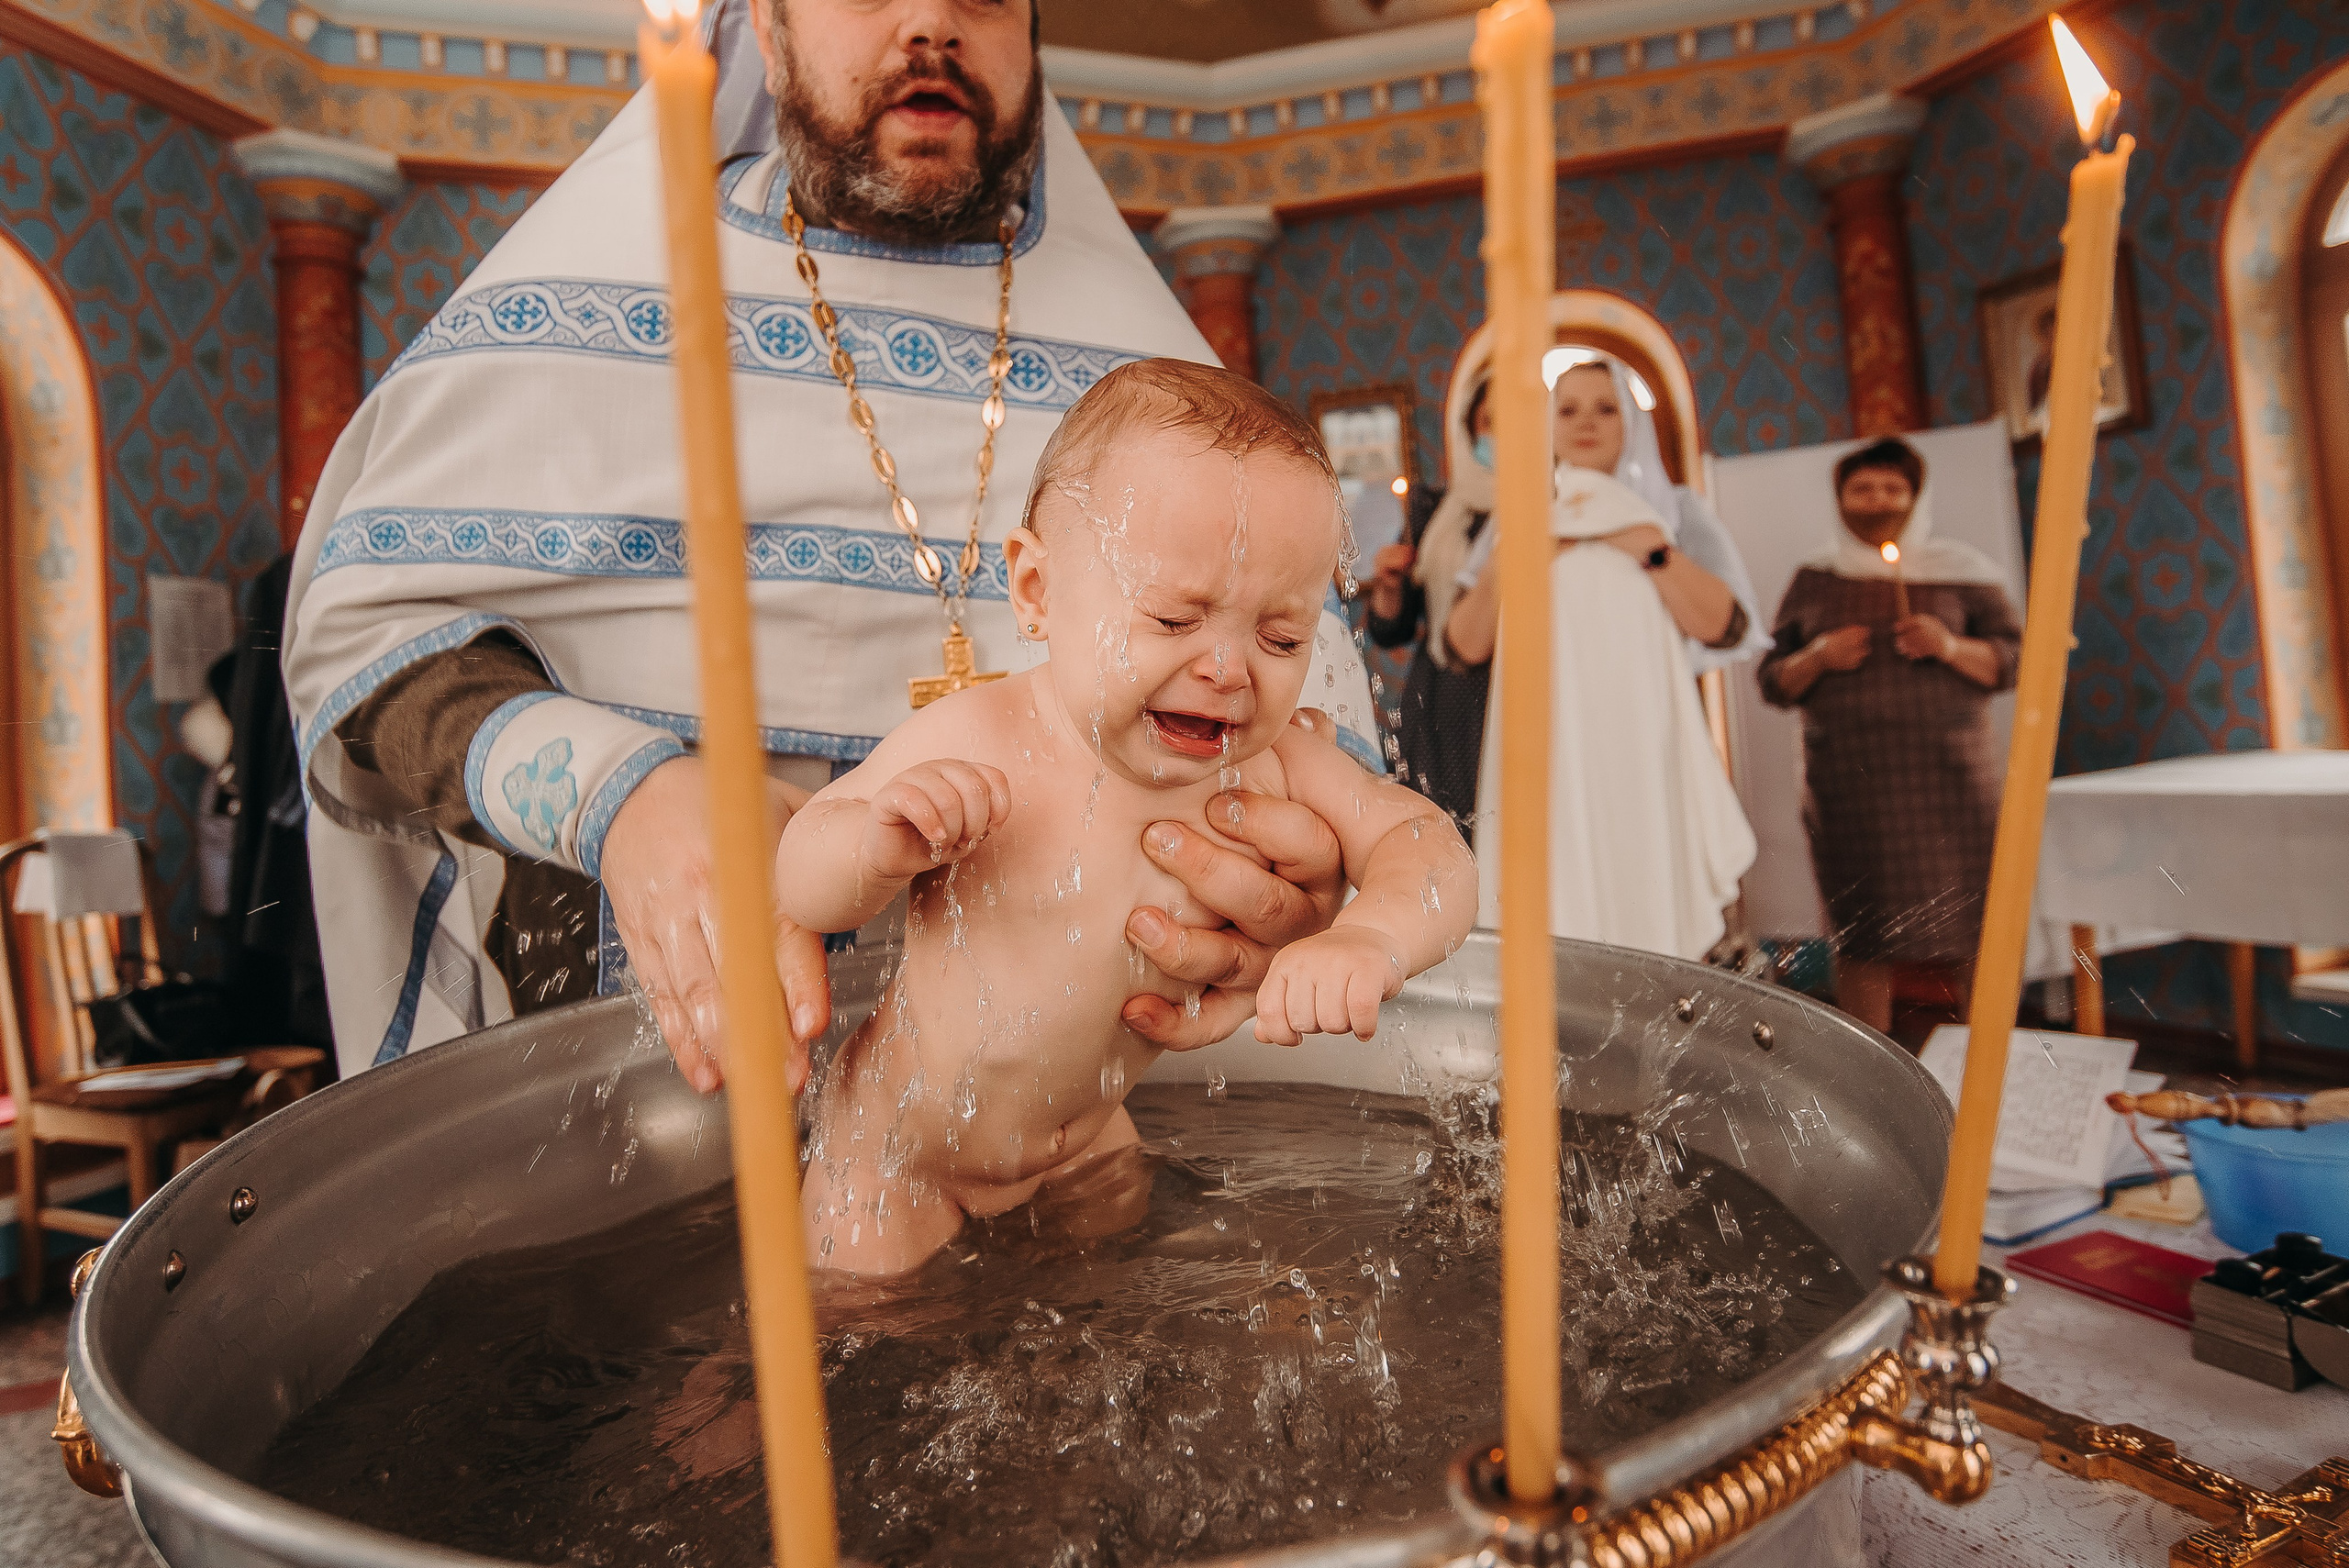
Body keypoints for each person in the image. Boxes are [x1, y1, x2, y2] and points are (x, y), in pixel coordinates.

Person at [282, 0, 1383, 1085]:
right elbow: (369, 640)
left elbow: (1313, 735)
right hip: (650, 1070)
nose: (933, 25)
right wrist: (621, 793)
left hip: (1073, 1078)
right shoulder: (585, 305)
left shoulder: (1146, 363)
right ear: (762, 31)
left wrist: (1296, 872)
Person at [777, 361, 1475, 1274]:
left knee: (1121, 1293)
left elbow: (1424, 843)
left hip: (1088, 1131)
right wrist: (876, 843)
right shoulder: (986, 738)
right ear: (1036, 591)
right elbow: (798, 873)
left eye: (1281, 637)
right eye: (1174, 616)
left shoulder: (1273, 758)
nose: (1229, 668)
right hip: (897, 1151)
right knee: (845, 1332)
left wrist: (1372, 935)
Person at [1445, 356, 1760, 959]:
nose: (1585, 422)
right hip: (1547, 746)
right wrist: (1514, 557)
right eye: (1567, 409)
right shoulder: (1518, 515)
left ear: (1631, 425)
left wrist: (1647, 548)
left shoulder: (1674, 513)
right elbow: (1466, 644)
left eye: (1605, 408)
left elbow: (1724, 625)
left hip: (1642, 743)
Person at [1757, 438, 2021, 1035]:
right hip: (1852, 792)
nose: (1877, 500)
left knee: (1975, 924)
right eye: (1862, 489)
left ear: (1915, 495)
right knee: (1863, 932)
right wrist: (1820, 656)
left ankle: (1988, 1068)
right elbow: (1772, 680)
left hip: (1952, 784)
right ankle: (1872, 1067)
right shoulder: (1816, 579)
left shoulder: (1964, 571)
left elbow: (2016, 660)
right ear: (1840, 498)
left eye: (1891, 489)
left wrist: (1950, 646)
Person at [1362, 377, 1493, 832]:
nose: (1501, 435)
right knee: (1455, 837)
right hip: (1446, 702)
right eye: (1489, 423)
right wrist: (1390, 584)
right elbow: (1389, 630)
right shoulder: (1437, 513)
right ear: (1470, 432)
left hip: (1531, 686)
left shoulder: (1563, 506)